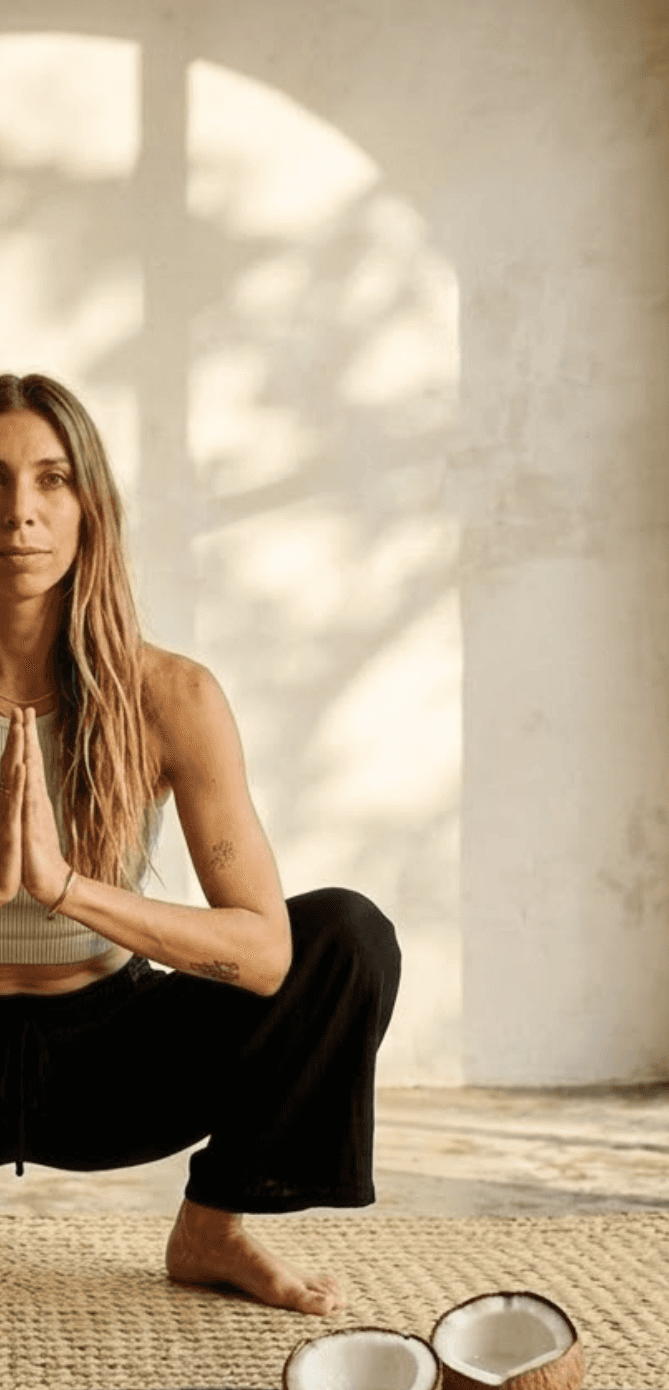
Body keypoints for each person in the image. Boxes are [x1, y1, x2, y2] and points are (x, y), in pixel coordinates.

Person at [0, 372, 401, 1315]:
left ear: (90, 505)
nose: (20, 512)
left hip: (110, 1063)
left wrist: (63, 887)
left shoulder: (170, 697)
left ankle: (215, 1228)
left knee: (346, 936)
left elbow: (264, 956)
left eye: (51, 479)